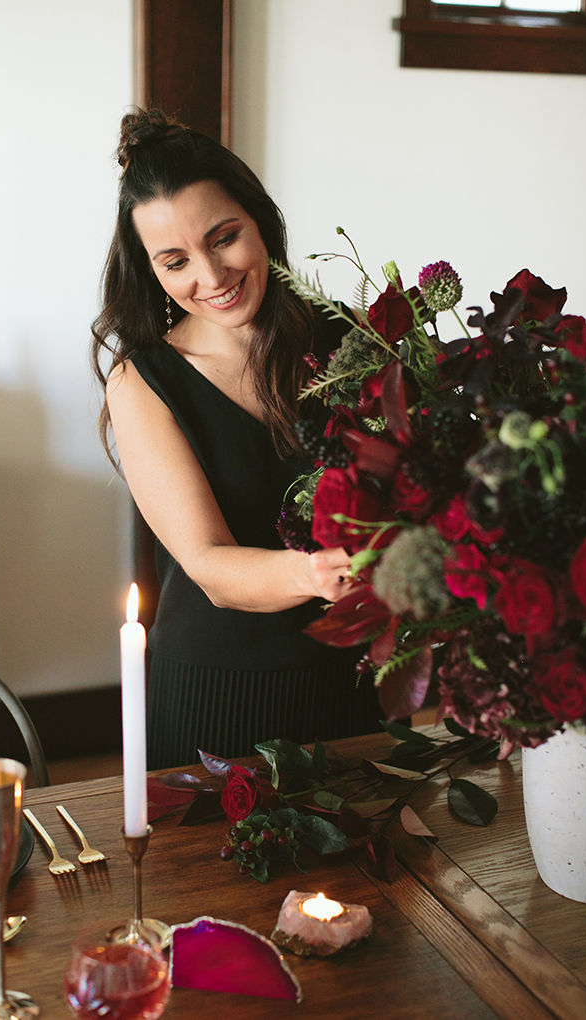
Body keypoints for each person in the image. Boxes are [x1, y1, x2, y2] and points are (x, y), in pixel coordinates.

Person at [92, 109, 380, 768]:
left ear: (260, 222)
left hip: (352, 674)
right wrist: (320, 572)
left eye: (224, 238)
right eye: (176, 261)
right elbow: (210, 567)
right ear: (153, 271)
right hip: (217, 695)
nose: (212, 275)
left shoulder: (352, 342)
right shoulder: (143, 382)